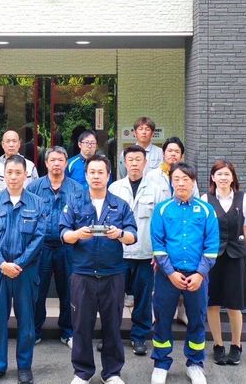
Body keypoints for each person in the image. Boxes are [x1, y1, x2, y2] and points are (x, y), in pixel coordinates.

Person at [60, 155, 137, 384]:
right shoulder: (75, 202)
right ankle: (82, 373)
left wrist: (119, 234)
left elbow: (133, 236)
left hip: (112, 274)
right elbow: (63, 233)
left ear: (108, 175)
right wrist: (76, 234)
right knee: (81, 326)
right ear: (85, 176)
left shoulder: (120, 205)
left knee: (112, 325)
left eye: (100, 172)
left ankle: (112, 373)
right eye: (92, 172)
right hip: (82, 274)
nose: (96, 176)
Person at [150, 162, 219, 384]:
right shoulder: (162, 209)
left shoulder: (206, 210)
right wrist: (170, 272)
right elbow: (158, 244)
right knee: (162, 319)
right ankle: (161, 363)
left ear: (193, 182)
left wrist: (200, 273)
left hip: (197, 277)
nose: (181, 183)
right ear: (171, 182)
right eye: (176, 179)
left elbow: (212, 245)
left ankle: (195, 364)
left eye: (185, 179)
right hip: (167, 276)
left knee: (197, 320)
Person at [0, 155, 46, 384]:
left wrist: (19, 264)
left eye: (18, 173)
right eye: (10, 172)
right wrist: (2, 263)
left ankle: (24, 367)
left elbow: (39, 237)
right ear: (3, 175)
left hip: (25, 271)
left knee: (26, 322)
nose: (14, 177)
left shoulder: (37, 203)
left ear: (26, 175)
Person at [201, 160, 246, 367]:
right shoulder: (205, 199)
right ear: (212, 178)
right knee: (212, 303)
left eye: (226, 174)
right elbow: (201, 230)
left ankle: (236, 345)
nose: (223, 178)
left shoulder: (243, 198)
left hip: (236, 256)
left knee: (234, 304)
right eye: (219, 174)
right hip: (212, 257)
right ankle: (218, 345)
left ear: (232, 177)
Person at [28, 146, 84, 347]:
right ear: (46, 163)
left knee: (68, 291)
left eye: (60, 160)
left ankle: (68, 331)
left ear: (66, 163)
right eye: (52, 160)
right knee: (38, 290)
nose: (56, 164)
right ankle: (35, 331)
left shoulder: (77, 189)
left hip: (68, 247)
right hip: (41, 246)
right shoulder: (34, 187)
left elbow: (82, 218)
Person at [108, 145, 157, 357]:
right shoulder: (114, 188)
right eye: (130, 160)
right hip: (118, 253)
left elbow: (160, 223)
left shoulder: (157, 189)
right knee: (114, 298)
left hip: (146, 253)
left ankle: (139, 337)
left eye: (138, 160)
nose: (134, 163)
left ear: (145, 163)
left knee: (143, 299)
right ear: (124, 163)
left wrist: (159, 253)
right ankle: (111, 338)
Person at [143, 136, 199, 325]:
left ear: (181, 155)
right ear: (163, 153)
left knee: (183, 270)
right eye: (170, 151)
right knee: (158, 272)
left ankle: (182, 311)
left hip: (183, 231)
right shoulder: (152, 175)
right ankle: (156, 312)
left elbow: (195, 201)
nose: (173, 154)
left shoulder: (189, 176)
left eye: (177, 151)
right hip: (160, 229)